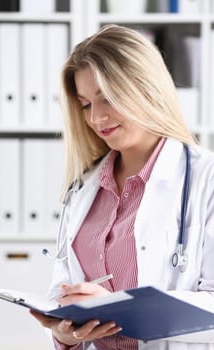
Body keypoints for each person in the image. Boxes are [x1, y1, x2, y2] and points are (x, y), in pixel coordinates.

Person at [31, 24, 214, 350]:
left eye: (108, 99)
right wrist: (63, 333)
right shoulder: (84, 188)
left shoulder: (205, 178)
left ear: (146, 88)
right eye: (86, 104)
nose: (96, 118)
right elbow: (62, 291)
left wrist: (123, 309)